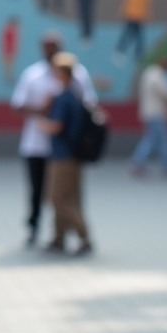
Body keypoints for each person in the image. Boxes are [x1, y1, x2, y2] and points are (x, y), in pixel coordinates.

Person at [11, 32, 98, 246]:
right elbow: (19, 105)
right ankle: (52, 234)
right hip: (41, 147)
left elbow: (66, 119)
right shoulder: (33, 75)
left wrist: (46, 119)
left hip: (65, 148)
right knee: (44, 192)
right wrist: (42, 111)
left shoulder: (69, 90)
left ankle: (79, 234)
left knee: (61, 196)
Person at [37, 52, 94, 256]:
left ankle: (84, 236)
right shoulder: (77, 96)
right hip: (74, 155)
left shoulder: (63, 98)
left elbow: (57, 126)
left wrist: (42, 123)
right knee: (70, 198)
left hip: (63, 156)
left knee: (57, 199)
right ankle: (58, 238)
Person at [114, 0, 151, 64]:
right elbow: (146, 6)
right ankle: (137, 55)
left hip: (131, 16)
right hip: (137, 17)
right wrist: (148, 15)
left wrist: (121, 12)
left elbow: (127, 2)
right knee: (136, 37)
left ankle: (120, 51)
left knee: (130, 35)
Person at [1, 16, 20, 83]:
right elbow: (6, 42)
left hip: (10, 51)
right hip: (7, 51)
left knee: (10, 65)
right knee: (8, 65)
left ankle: (9, 76)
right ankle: (7, 77)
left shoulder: (13, 31)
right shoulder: (9, 31)